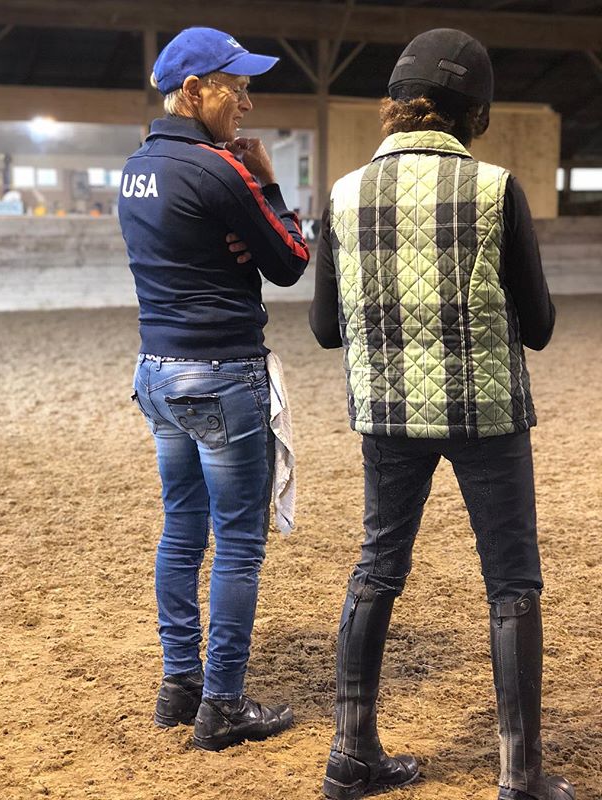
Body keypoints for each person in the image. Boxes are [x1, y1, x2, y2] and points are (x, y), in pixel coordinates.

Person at [310, 28, 574, 800]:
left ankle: (351, 752)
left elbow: (327, 330)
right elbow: (544, 325)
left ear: (395, 109)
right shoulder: (496, 190)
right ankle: (519, 772)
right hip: (487, 412)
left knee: (377, 568)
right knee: (511, 582)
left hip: (388, 414)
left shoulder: (344, 194)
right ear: (476, 116)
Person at [118, 27, 309, 751]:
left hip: (158, 373)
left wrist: (238, 230)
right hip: (221, 373)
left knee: (181, 527)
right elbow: (291, 259)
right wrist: (263, 184)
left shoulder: (137, 167)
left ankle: (180, 682)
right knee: (237, 544)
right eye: (237, 88)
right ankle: (223, 704)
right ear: (194, 91)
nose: (248, 104)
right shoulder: (220, 171)